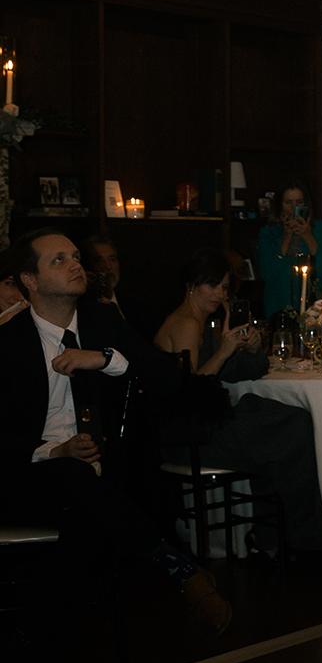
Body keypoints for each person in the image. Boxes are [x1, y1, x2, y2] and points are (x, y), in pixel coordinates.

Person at [0, 229, 231, 635]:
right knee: (74, 477)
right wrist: (54, 451)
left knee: (91, 495)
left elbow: (167, 376)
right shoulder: (9, 340)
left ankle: (45, 640)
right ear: (30, 282)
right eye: (58, 260)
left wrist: (106, 359)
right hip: (30, 472)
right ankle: (174, 566)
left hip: (110, 466)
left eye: (74, 256)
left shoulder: (101, 321)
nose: (74, 264)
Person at [154, 249, 322, 553]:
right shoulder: (186, 323)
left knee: (288, 423)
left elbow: (241, 373)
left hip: (205, 423)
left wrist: (251, 348)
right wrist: (224, 350)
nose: (219, 293)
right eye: (211, 285)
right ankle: (294, 537)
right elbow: (191, 391)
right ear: (191, 285)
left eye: (224, 287)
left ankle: (278, 535)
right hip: (190, 435)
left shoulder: (206, 321)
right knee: (291, 430)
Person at [256, 180, 322, 320]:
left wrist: (307, 235)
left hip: (316, 306)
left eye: (298, 202)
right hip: (279, 306)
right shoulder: (269, 233)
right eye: (288, 203)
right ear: (280, 205)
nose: (293, 208)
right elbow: (266, 272)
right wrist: (287, 238)